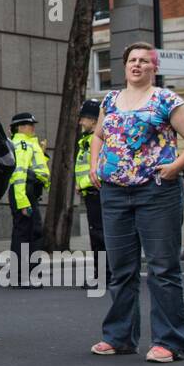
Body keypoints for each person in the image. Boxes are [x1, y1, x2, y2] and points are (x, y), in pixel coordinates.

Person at [89, 41, 184, 363]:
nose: (137, 65)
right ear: (125, 65)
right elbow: (98, 136)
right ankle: (119, 337)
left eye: (144, 60)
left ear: (154, 67)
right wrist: (93, 165)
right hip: (114, 193)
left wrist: (175, 168)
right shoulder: (110, 99)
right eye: (132, 60)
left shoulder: (166, 100)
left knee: (162, 267)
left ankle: (169, 342)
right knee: (120, 269)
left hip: (156, 191)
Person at [8, 111, 50, 286]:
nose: (33, 127)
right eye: (29, 124)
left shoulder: (28, 143)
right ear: (20, 127)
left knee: (27, 233)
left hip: (26, 192)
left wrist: (42, 152)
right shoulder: (22, 144)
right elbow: (19, 175)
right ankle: (24, 276)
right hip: (24, 192)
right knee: (27, 234)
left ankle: (23, 275)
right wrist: (23, 202)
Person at [74, 99, 109, 284]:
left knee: (100, 236)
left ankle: (103, 274)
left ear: (95, 121)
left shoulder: (99, 141)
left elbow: (102, 167)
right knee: (98, 235)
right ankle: (103, 273)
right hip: (91, 193)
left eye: (84, 119)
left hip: (96, 192)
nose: (81, 122)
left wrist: (83, 183)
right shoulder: (87, 140)